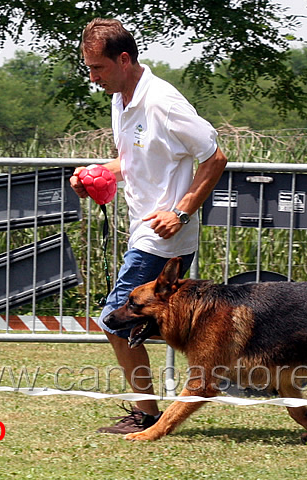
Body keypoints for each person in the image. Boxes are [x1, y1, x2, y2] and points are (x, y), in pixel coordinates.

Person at [71, 18, 227, 434]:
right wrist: (94, 174)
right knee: (146, 321)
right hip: (143, 231)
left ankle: (149, 413)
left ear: (124, 60)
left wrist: (181, 211)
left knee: (115, 320)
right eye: (88, 68)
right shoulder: (122, 98)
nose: (92, 78)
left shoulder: (164, 102)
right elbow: (132, 163)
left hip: (163, 237)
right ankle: (219, 366)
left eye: (97, 68)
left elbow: (215, 158)